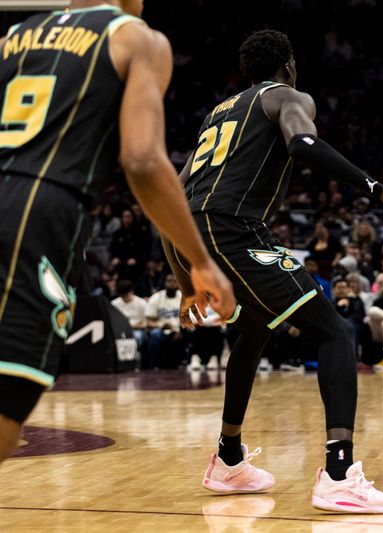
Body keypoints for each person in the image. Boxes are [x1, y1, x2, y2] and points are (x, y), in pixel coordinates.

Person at [164, 29, 383, 512]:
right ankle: (338, 474)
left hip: (196, 233)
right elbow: (303, 145)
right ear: (288, 64)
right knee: (335, 332)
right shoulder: (287, 96)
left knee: (253, 330)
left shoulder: (218, 114)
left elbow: (171, 199)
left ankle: (228, 460)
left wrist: (188, 281)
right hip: (233, 229)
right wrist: (381, 189)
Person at [0, 0, 235, 465]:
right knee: (6, 408)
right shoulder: (134, 37)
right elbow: (142, 160)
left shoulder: (14, 37)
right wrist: (201, 262)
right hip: (39, 213)